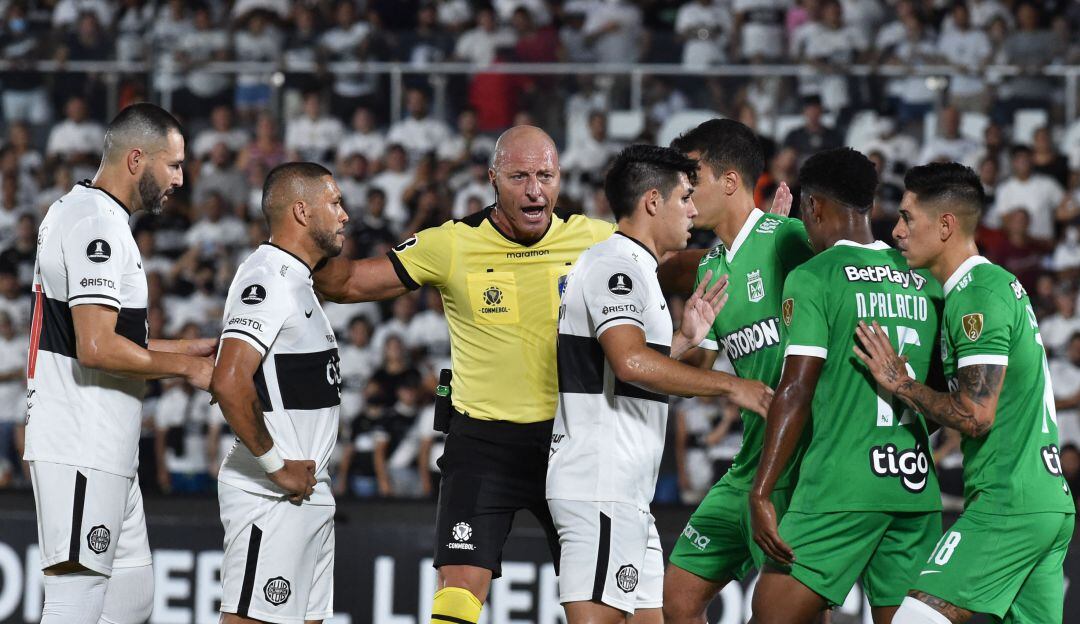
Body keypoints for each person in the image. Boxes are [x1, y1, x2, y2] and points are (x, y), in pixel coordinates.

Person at [313, 125, 731, 624]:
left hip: (569, 441)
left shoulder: (597, 242)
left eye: (546, 176)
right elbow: (348, 283)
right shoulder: (451, 244)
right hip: (484, 442)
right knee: (460, 585)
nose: (535, 189)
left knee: (626, 607)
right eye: (519, 176)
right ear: (493, 178)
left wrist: (757, 249)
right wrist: (301, 239)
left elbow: (677, 264)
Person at [547, 144, 772, 624]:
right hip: (600, 485)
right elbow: (629, 362)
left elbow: (624, 363)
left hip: (626, 493)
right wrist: (731, 386)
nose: (693, 210)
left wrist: (685, 338)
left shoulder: (634, 268)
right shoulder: (616, 266)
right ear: (653, 201)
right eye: (684, 198)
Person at [852, 162, 1075, 624]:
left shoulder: (977, 293)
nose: (896, 231)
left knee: (914, 618)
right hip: (1043, 499)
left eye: (908, 218)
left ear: (946, 225)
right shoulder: (989, 286)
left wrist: (901, 382)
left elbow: (976, 415)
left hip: (1008, 503)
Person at [23, 103, 215, 624]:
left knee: (131, 599)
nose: (181, 178)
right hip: (81, 442)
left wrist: (190, 349)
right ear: (136, 160)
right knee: (74, 608)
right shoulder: (95, 226)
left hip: (106, 445)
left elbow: (117, 337)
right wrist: (188, 371)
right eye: (173, 165)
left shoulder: (93, 214)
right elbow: (96, 348)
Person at [749, 148, 945, 623]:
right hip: (913, 490)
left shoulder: (814, 277)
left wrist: (762, 491)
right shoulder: (925, 280)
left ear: (812, 206)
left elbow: (796, 388)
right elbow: (940, 398)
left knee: (770, 617)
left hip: (839, 488)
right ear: (871, 206)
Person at [661, 119, 815, 623]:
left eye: (693, 178)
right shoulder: (711, 268)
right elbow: (699, 372)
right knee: (676, 602)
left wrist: (781, 232)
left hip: (799, 463)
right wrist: (687, 335)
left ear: (730, 182)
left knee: (788, 612)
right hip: (749, 461)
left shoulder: (788, 237)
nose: (683, 192)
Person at [210, 162, 349, 623]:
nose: (344, 214)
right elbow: (229, 380)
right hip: (273, 495)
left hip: (307, 489)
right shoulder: (267, 278)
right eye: (335, 203)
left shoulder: (299, 281)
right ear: (302, 211)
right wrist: (276, 468)